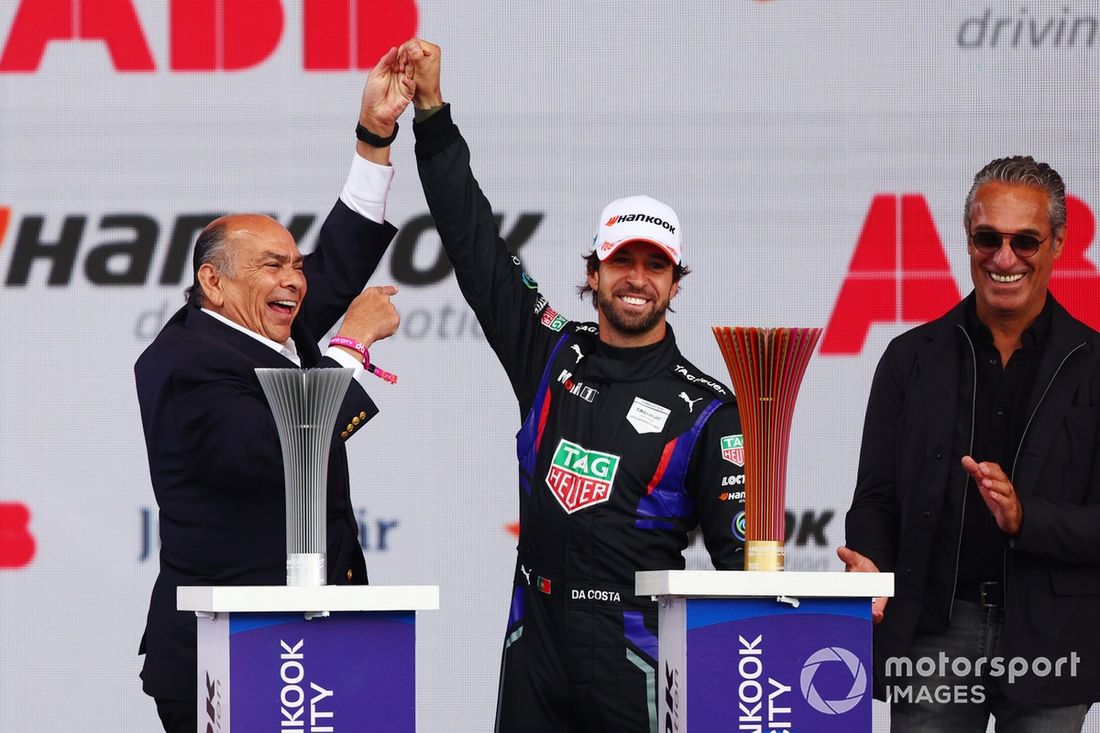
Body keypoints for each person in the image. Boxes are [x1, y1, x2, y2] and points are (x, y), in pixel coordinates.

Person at [398, 39, 745, 733]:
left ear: (677, 282)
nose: (636, 278)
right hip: (537, 628)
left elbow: (740, 563)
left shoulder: (707, 408)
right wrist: (431, 114)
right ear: (592, 271)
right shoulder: (551, 352)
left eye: (655, 264)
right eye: (621, 260)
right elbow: (473, 243)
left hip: (636, 642)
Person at [133, 48, 412, 733]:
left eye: (295, 263)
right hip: (226, 651)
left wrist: (373, 136)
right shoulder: (187, 360)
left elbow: (341, 255)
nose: (295, 278)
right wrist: (349, 346)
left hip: (307, 643)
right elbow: (274, 450)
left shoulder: (263, 329)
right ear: (214, 282)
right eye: (272, 265)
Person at [840, 156, 1100, 731]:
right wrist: (873, 571)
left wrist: (1025, 517)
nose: (1004, 258)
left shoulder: (1094, 365)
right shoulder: (910, 358)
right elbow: (876, 497)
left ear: (1058, 243)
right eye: (988, 237)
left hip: (1054, 636)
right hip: (934, 630)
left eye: (1025, 241)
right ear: (968, 238)